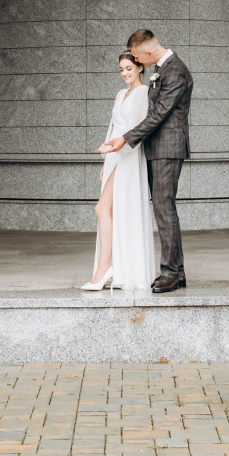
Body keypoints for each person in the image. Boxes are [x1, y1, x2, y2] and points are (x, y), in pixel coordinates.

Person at [99, 28, 191, 293]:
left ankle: (171, 273)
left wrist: (125, 139)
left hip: (167, 148)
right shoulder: (162, 69)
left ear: (149, 52)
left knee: (164, 208)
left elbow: (159, 114)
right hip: (156, 148)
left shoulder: (175, 71)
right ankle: (178, 271)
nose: (139, 64)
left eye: (139, 58)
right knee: (164, 208)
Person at [81, 51, 158, 291]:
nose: (124, 73)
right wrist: (106, 163)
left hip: (129, 158)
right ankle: (111, 268)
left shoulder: (143, 93)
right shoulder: (120, 94)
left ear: (140, 68)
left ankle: (105, 269)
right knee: (110, 211)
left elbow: (136, 130)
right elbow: (112, 128)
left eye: (128, 68)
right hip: (115, 158)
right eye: (121, 69)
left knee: (102, 208)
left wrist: (117, 153)